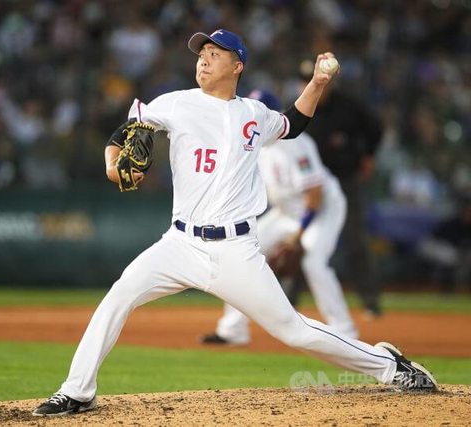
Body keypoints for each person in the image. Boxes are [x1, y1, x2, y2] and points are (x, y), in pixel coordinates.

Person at [32, 29, 436, 417]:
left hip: (235, 251)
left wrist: (317, 82)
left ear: (237, 65)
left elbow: (293, 123)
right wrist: (112, 165)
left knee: (293, 330)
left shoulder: (254, 114)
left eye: (214, 54)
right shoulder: (176, 104)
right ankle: (77, 390)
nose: (203, 60)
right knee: (120, 295)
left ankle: (390, 365)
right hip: (180, 244)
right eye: (201, 55)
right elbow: (124, 134)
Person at [200, 89, 358, 346]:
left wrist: (298, 235)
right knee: (239, 252)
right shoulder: (254, 144)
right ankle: (233, 330)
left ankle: (345, 331)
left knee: (314, 263)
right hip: (286, 213)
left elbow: (315, 196)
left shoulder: (295, 145)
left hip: (321, 211)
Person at [293, 59, 384, 317]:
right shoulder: (299, 107)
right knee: (299, 240)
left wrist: (368, 155)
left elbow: (376, 128)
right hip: (310, 186)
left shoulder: (348, 106)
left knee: (356, 241)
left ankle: (370, 301)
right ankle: (289, 301)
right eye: (304, 81)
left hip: (345, 181)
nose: (307, 85)